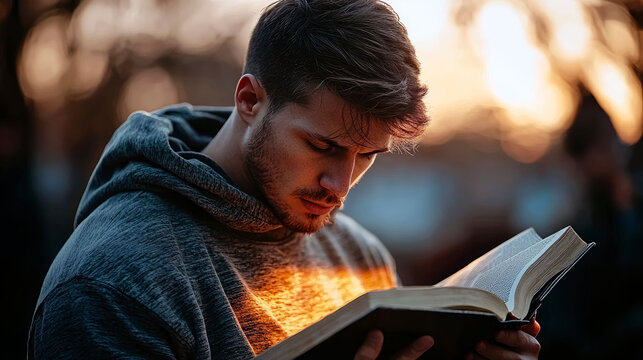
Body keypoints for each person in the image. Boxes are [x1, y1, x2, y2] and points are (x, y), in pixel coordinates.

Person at [28, 1, 540, 359]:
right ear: (250, 100)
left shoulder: (362, 261)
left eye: (367, 155)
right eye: (324, 146)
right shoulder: (113, 283)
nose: (340, 185)